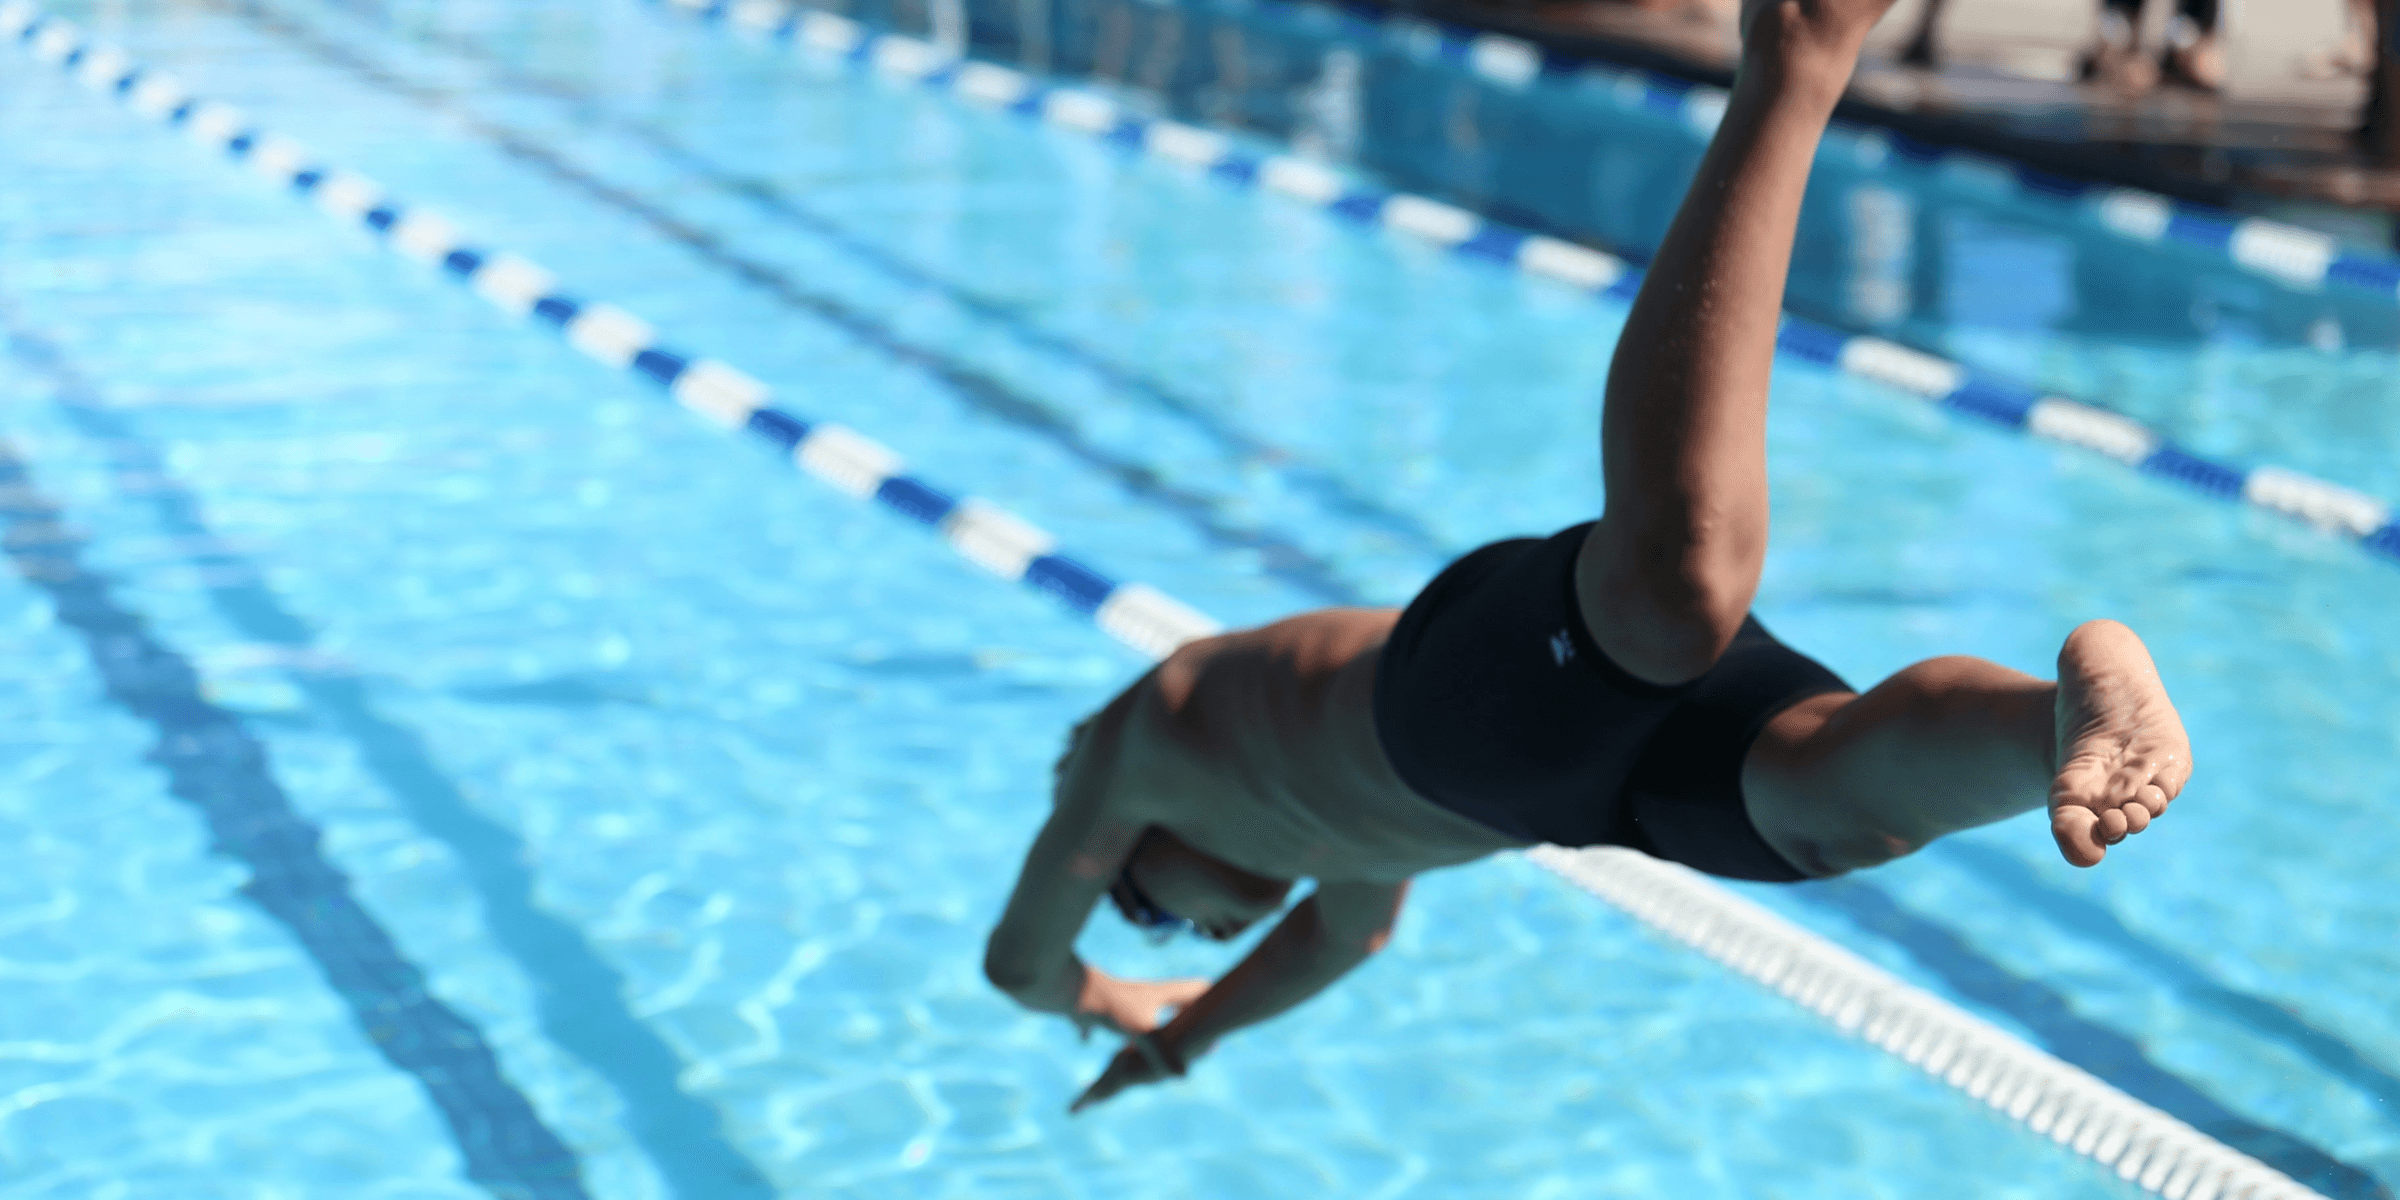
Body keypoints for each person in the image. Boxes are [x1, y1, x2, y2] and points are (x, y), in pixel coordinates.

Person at [984, 0, 2192, 1113]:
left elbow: (1018, 962)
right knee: (1835, 809)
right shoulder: (1316, 841)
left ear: (1119, 848)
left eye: (1153, 913)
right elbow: (1341, 940)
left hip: (1452, 706)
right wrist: (1183, 1041)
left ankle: (1796, 52)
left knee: (1680, 588)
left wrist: (1095, 995)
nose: (1201, 934)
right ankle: (2056, 725)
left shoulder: (1136, 750)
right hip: (1563, 791)